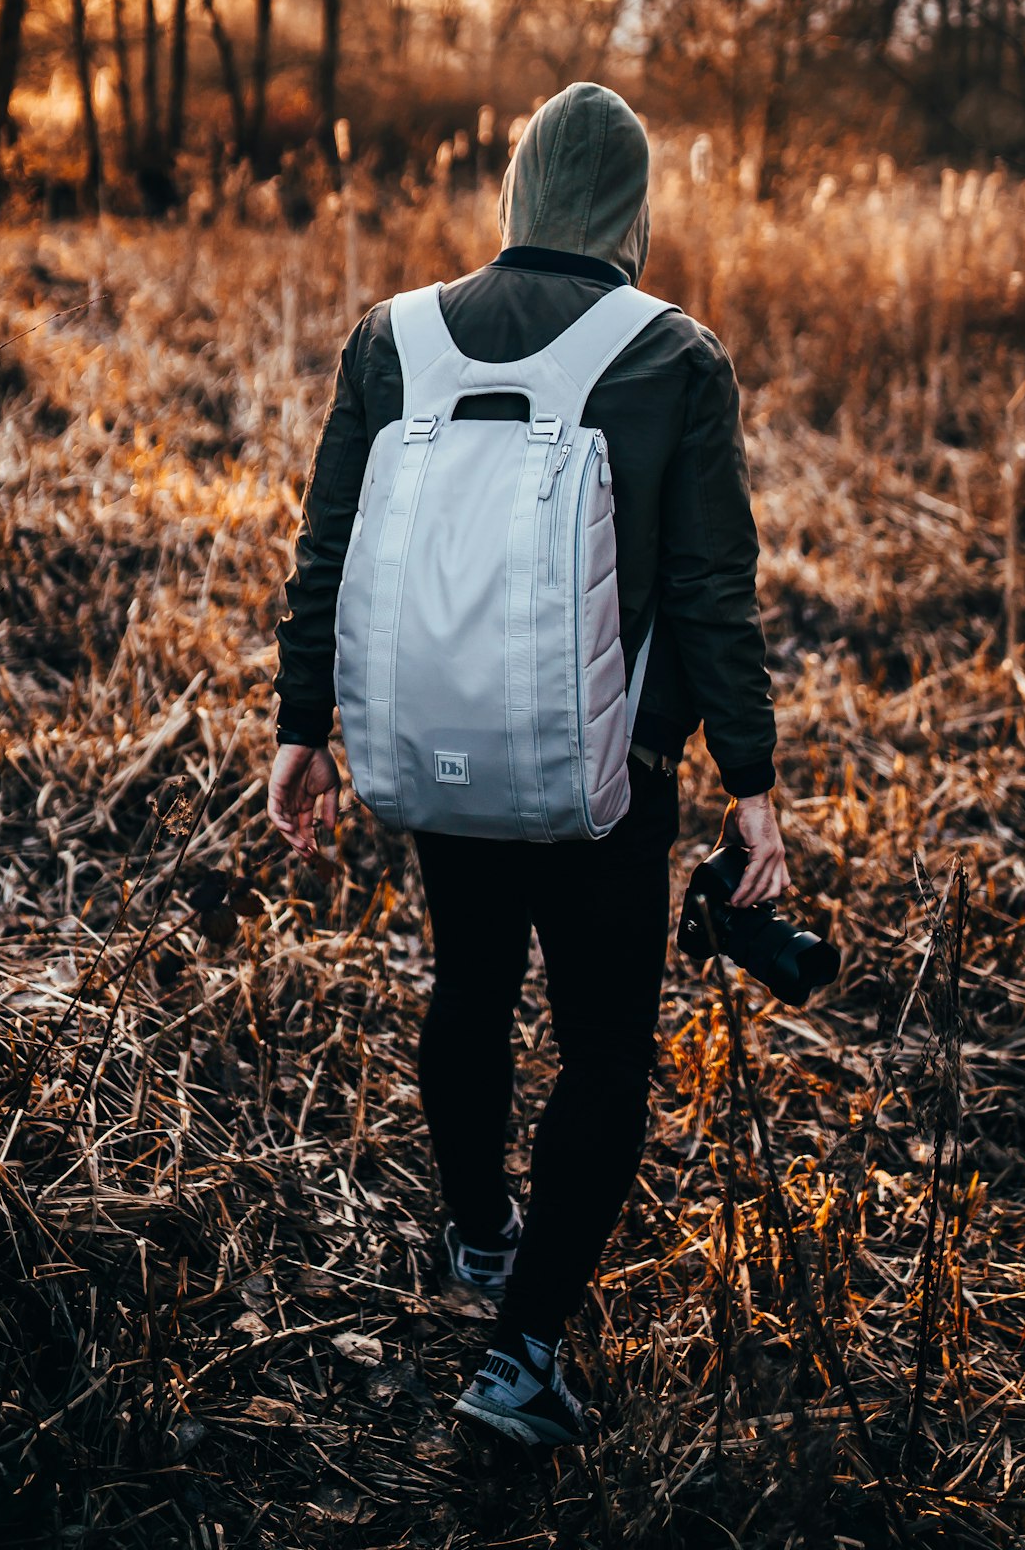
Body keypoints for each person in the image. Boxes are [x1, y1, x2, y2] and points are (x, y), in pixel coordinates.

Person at [269, 82, 786, 1448]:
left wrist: (300, 728)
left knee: (471, 986)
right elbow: (713, 590)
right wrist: (755, 782)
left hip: (439, 753)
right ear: (633, 202)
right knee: (607, 1051)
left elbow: (329, 546)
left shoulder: (397, 339)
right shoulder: (675, 354)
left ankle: (482, 1234)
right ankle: (522, 1354)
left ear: (518, 185)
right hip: (612, 778)